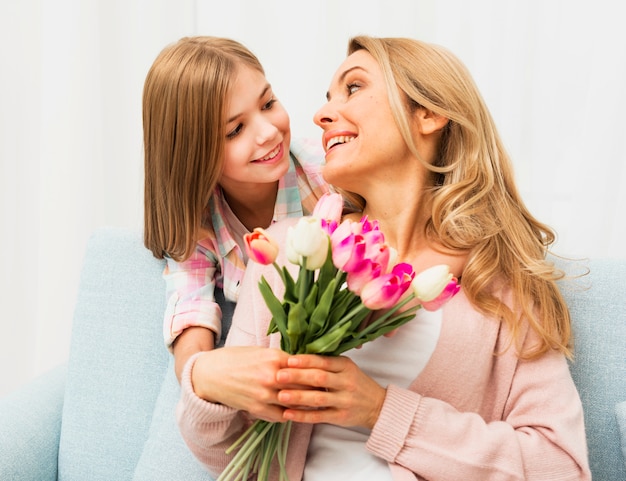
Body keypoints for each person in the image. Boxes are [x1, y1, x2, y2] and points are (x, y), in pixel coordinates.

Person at [176, 35, 591, 480]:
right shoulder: (287, 250)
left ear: (428, 113)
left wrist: (380, 411)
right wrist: (204, 383)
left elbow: (562, 467)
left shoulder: (502, 281)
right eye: (327, 98)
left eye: (353, 88)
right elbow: (235, 459)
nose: (320, 115)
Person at [143, 36, 330, 380]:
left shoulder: (325, 178)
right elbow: (191, 317)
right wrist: (203, 376)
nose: (268, 131)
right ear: (194, 154)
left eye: (268, 103)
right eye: (235, 130)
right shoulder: (200, 221)